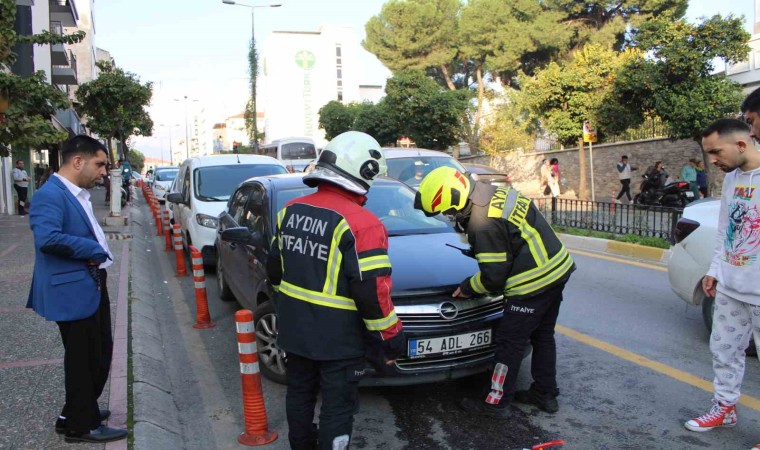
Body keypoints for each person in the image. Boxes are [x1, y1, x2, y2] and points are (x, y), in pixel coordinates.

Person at [266, 131, 405, 450]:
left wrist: (288, 307)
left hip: (294, 329)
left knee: (299, 394)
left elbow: (275, 270)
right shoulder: (363, 223)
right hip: (339, 340)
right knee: (338, 406)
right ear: (363, 172)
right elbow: (372, 293)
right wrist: (391, 337)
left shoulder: (290, 210)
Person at [414, 166, 575, 419]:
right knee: (543, 336)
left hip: (531, 284)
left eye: (447, 211)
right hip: (557, 270)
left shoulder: (481, 222)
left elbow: (494, 278)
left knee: (509, 344)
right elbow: (511, 236)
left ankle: (496, 402)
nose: (448, 215)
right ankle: (545, 393)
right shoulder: (495, 193)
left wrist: (467, 287)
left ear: (455, 199)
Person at [26, 135, 127, 444]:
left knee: (98, 354)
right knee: (84, 360)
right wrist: (93, 248)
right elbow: (47, 238)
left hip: (89, 284)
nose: (103, 172)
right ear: (78, 161)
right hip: (73, 290)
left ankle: (76, 412)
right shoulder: (51, 194)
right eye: (99, 164)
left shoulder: (75, 193)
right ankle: (80, 426)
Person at [683, 118, 760, 435]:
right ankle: (724, 408)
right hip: (730, 286)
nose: (712, 160)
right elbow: (726, 227)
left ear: (741, 144)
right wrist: (714, 269)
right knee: (724, 351)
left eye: (716, 151)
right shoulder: (732, 179)